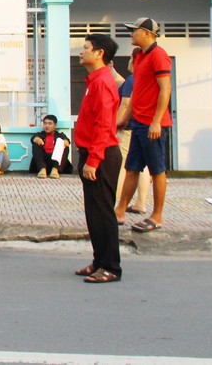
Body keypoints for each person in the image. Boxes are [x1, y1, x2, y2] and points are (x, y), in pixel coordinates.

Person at [73, 33, 122, 283]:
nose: (81, 51)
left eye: (85, 48)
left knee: (103, 212)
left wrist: (93, 159)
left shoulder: (103, 82)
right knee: (93, 212)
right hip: (92, 152)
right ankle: (99, 261)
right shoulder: (95, 80)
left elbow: (104, 126)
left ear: (99, 53)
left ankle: (111, 267)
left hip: (101, 156)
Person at [115, 17, 171, 233]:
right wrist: (126, 117)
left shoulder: (159, 55)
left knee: (157, 170)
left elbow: (165, 89)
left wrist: (156, 121)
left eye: (135, 31)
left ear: (147, 33)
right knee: (131, 168)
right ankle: (120, 210)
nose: (131, 34)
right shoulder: (139, 57)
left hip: (153, 124)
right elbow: (137, 92)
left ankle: (156, 216)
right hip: (138, 122)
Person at [114, 49, 151, 218]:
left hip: (128, 128)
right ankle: (141, 203)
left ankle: (117, 202)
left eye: (130, 58)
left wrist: (118, 124)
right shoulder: (146, 80)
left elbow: (126, 103)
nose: (129, 61)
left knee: (122, 166)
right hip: (144, 126)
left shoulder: (132, 79)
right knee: (142, 166)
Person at [30, 114, 70, 179]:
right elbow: (33, 138)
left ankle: (55, 170)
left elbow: (67, 141)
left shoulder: (60, 135)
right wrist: (36, 139)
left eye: (50, 124)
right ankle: (42, 169)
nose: (47, 126)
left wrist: (65, 142)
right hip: (42, 162)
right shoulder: (40, 134)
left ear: (55, 125)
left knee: (65, 146)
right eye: (45, 123)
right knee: (36, 144)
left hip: (55, 162)